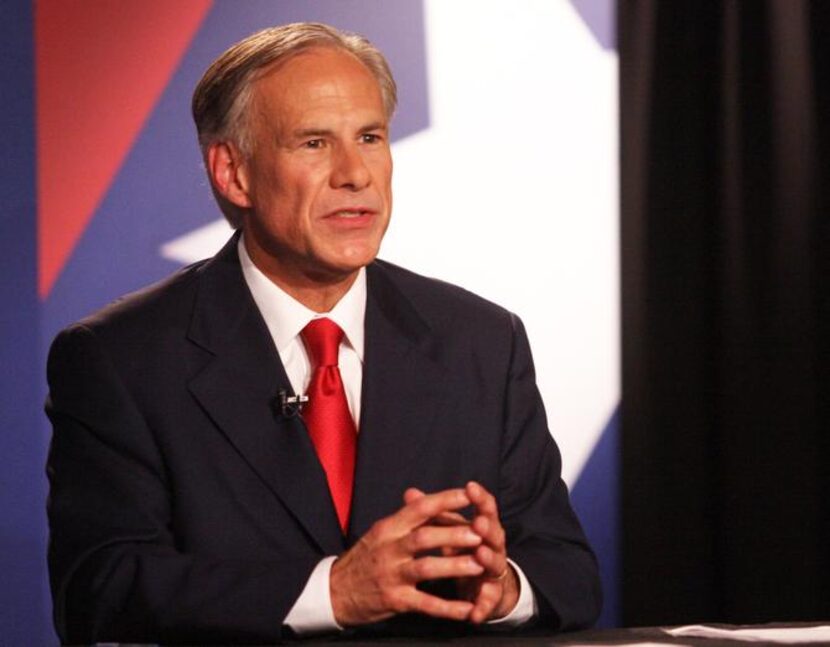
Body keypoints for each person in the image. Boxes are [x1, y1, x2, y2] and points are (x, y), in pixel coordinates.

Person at [45, 22, 601, 644]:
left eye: (370, 137)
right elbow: (101, 587)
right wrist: (332, 592)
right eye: (314, 143)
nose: (354, 173)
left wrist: (503, 591)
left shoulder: (481, 341)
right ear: (234, 173)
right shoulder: (122, 359)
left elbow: (568, 573)